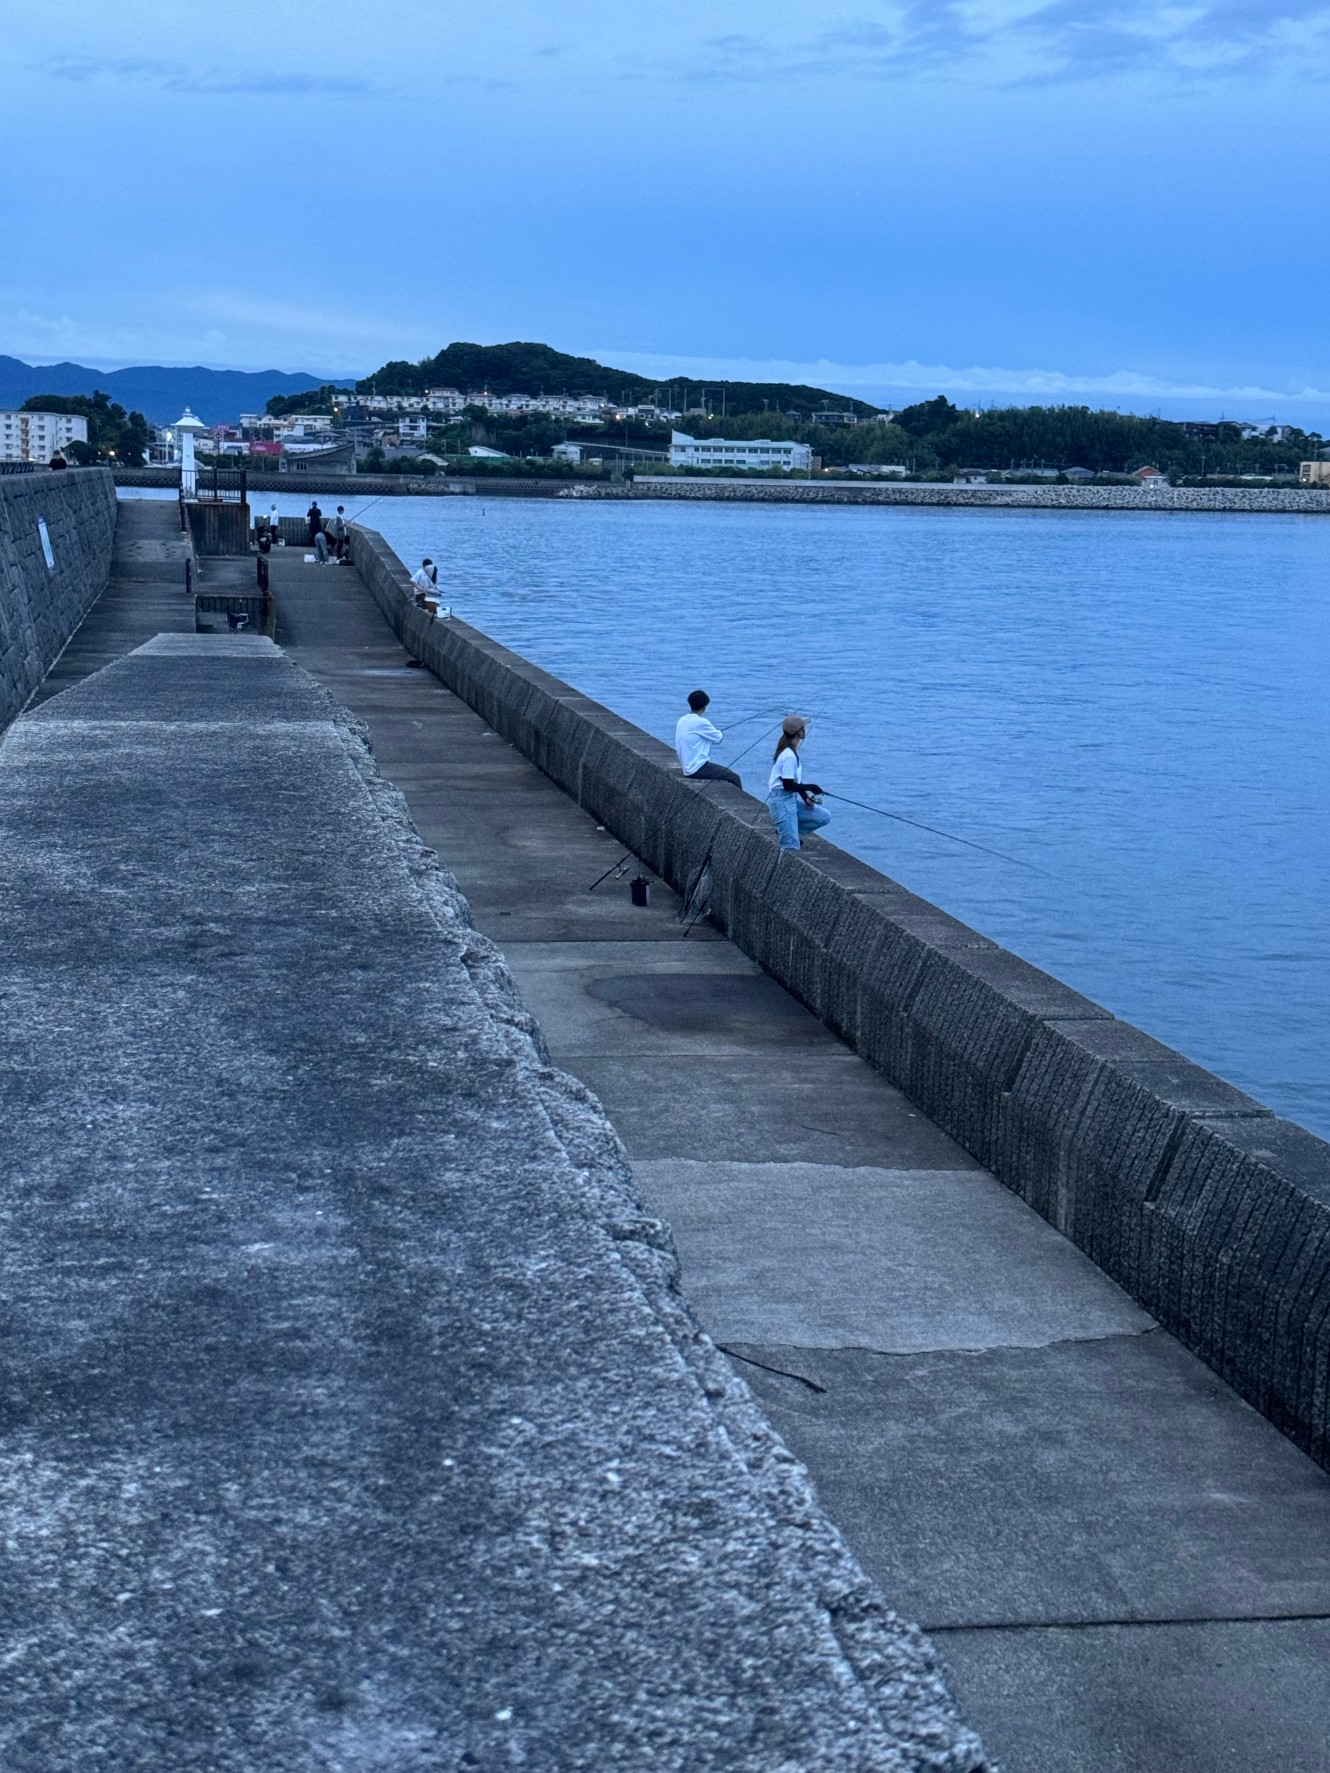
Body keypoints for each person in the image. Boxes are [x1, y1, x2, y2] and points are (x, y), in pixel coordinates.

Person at [767, 715, 831, 851]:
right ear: (799, 732)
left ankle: (789, 831)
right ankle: (788, 833)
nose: (805, 730)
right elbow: (788, 785)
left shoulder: (792, 751)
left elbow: (795, 782)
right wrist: (811, 787)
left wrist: (805, 797)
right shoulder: (789, 756)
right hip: (781, 802)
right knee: (790, 848)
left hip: (788, 800)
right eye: (803, 728)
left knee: (823, 816)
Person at [675, 690, 742, 788]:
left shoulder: (682, 720)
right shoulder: (701, 722)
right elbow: (718, 738)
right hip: (696, 768)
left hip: (686, 766)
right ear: (704, 707)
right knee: (734, 777)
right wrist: (719, 732)